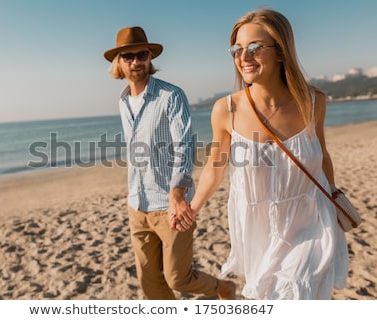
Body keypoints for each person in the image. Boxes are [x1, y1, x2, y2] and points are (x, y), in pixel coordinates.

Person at [188, 9, 349, 299]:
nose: (244, 57)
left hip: (311, 220)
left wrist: (334, 197)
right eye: (237, 49)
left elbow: (322, 155)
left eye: (255, 48)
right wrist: (193, 207)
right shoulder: (226, 110)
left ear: (281, 51)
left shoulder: (314, 102)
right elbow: (215, 165)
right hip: (258, 228)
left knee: (293, 292)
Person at [104, 26, 236, 299]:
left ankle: (224, 287)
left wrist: (177, 194)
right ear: (119, 62)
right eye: (128, 56)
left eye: (142, 55)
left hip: (170, 206)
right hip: (137, 205)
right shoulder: (123, 101)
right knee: (150, 284)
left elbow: (185, 147)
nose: (136, 62)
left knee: (179, 278)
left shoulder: (171, 96)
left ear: (150, 57)